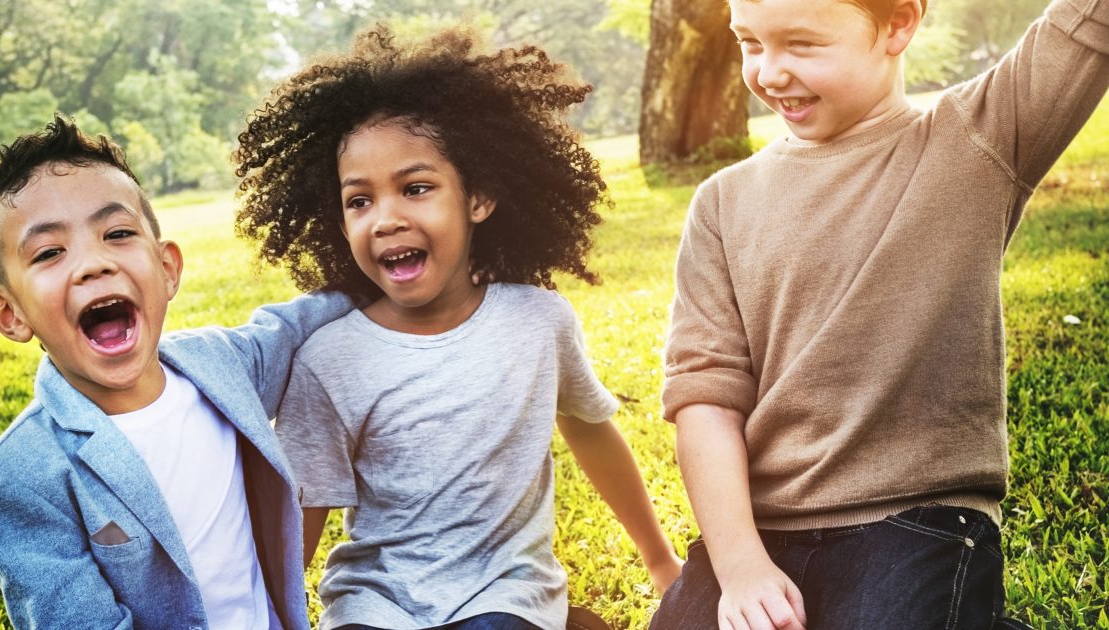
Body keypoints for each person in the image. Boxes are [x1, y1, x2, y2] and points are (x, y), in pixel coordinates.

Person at [650, 0, 1108, 627]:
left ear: (899, 23)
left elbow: (1085, 27)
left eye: (802, 44)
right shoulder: (721, 206)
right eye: (751, 42)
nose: (770, 73)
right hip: (761, 530)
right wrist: (739, 564)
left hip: (917, 519)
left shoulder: (980, 137)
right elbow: (705, 398)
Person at [232, 27, 684, 630]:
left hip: (504, 594)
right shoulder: (329, 357)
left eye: (416, 189)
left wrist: (660, 562)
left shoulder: (537, 321)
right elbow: (304, 510)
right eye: (358, 201)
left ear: (480, 198)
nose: (386, 218)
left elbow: (591, 432)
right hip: (375, 602)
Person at [0, 116, 352, 629]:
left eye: (117, 233)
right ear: (11, 315)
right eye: (50, 252)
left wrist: (398, 269)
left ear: (167, 269)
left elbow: (299, 324)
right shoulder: (17, 479)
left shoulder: (220, 364)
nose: (92, 264)